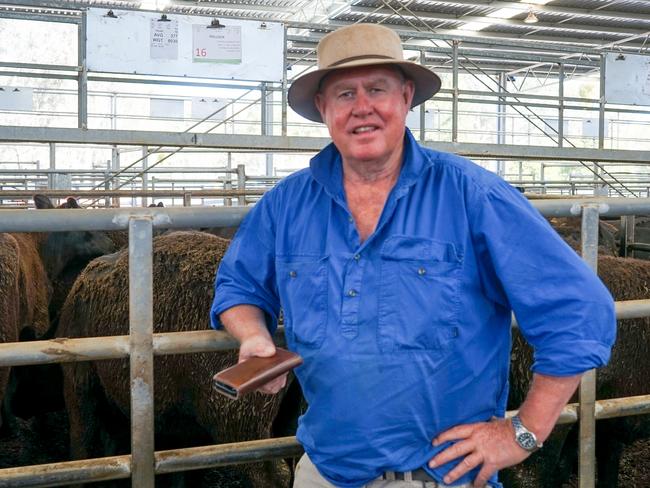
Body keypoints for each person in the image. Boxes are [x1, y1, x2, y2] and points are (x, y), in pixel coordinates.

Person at [210, 23, 616, 488]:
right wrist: (253, 336)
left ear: (406, 97)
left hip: (445, 477)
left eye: (377, 89)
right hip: (325, 471)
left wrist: (523, 432)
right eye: (344, 94)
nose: (362, 108)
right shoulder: (286, 204)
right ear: (323, 108)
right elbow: (238, 286)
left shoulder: (473, 195)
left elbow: (580, 310)